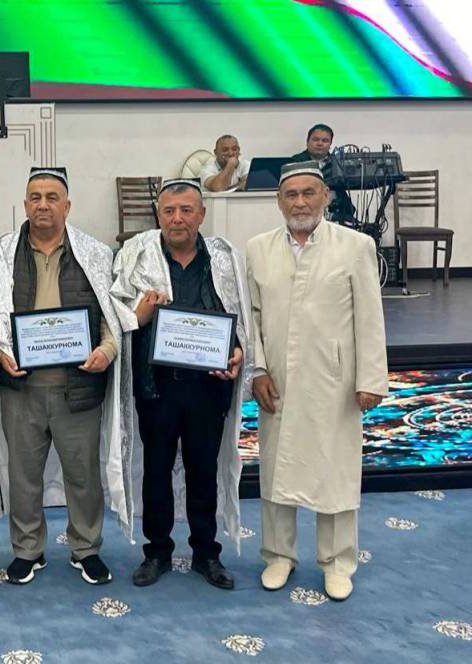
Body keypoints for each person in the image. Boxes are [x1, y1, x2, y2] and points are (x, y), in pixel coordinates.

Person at [0, 167, 130, 586]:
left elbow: (111, 315)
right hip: (21, 388)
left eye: (51, 197)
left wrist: (106, 351)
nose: (42, 204)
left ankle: (86, 548)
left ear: (67, 206)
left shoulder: (95, 254)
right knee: (23, 476)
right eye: (35, 197)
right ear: (25, 204)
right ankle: (27, 550)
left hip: (77, 386)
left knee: (83, 476)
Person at [246, 161, 388, 602]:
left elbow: (370, 316)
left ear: (325, 196)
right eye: (291, 195)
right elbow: (251, 319)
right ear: (278, 201)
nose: (300, 203)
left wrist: (370, 378)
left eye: (309, 193)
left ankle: (337, 562)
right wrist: (257, 370)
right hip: (278, 381)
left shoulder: (355, 246)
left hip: (335, 381)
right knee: (276, 468)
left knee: (336, 471)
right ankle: (278, 556)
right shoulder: (258, 249)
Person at [110, 178, 251, 590]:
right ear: (158, 215)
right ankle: (157, 552)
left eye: (186, 210)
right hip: (158, 387)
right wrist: (139, 313)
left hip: (208, 388)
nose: (177, 218)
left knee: (203, 471)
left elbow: (242, 316)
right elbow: (115, 311)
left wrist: (237, 351)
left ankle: (207, 553)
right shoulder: (137, 258)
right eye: (169, 211)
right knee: (155, 472)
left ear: (201, 214)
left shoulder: (224, 260)